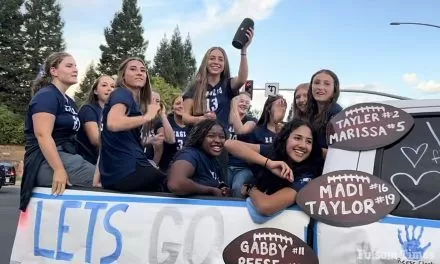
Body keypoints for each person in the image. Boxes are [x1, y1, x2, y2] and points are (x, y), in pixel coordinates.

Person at [20, 52, 95, 211]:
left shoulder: (69, 101)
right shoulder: (46, 96)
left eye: (75, 66)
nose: (75, 69)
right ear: (54, 71)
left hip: (69, 155)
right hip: (45, 161)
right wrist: (59, 170)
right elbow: (43, 135)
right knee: (103, 179)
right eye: (69, 66)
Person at [225, 119, 324, 224]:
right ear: (286, 138)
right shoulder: (273, 151)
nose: (303, 145)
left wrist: (250, 189)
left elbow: (266, 206)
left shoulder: (308, 175)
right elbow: (229, 144)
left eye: (308, 141)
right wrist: (268, 163)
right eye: (297, 138)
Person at [98, 57, 166, 192]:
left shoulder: (132, 101)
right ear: (123, 76)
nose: (139, 73)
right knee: (173, 183)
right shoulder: (122, 93)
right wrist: (147, 116)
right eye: (133, 69)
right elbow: (113, 123)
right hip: (127, 170)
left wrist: (148, 141)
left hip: (120, 171)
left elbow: (111, 139)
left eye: (143, 70)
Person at [182, 28, 254, 128]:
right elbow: (184, 117)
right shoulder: (195, 87)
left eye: (220, 59)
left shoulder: (228, 85)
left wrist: (244, 50)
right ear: (205, 62)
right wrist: (201, 119)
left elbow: (242, 79)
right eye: (212, 58)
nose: (216, 62)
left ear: (225, 65)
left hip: (220, 138)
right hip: (197, 139)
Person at [167, 119, 231, 196]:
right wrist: (211, 190)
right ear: (200, 137)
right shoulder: (190, 154)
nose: (218, 140)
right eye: (211, 136)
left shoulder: (215, 161)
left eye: (222, 137)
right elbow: (176, 184)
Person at [76, 75, 115, 165]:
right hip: (89, 162)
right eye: (104, 85)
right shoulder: (88, 109)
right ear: (95, 91)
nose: (109, 89)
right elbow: (96, 140)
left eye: (113, 86)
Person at [305, 69, 342, 157]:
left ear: (334, 90)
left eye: (327, 84)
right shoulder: (311, 113)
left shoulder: (337, 115)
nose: (320, 87)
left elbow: (339, 154)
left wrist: (306, 148)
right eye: (317, 83)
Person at [227, 92, 258, 197]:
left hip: (243, 167)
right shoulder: (224, 119)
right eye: (241, 101)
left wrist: (234, 106)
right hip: (225, 165)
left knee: (237, 187)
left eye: (247, 102)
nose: (244, 104)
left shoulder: (251, 121)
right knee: (223, 188)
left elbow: (240, 131)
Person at [140, 91, 175, 167]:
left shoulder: (157, 121)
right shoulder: (134, 117)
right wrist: (150, 140)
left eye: (157, 101)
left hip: (148, 164)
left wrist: (163, 115)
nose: (154, 103)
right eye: (151, 99)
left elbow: (171, 140)